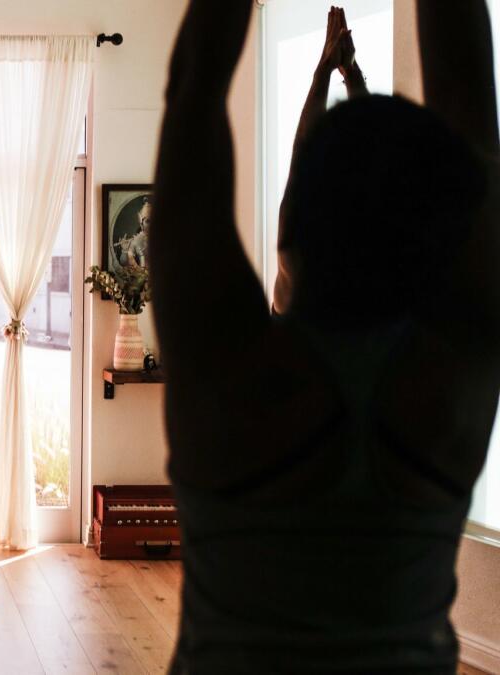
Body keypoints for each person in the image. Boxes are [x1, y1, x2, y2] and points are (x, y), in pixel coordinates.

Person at [150, 0, 498, 672]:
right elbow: (470, 111)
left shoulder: (231, 377)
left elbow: (193, 92)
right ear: (443, 235)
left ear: (294, 226)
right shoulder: (453, 384)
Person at [273, 6, 369, 314]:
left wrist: (325, 71)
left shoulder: (299, 266)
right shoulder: (370, 265)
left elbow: (302, 152)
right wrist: (349, 72)